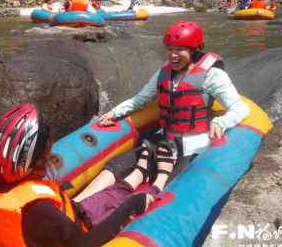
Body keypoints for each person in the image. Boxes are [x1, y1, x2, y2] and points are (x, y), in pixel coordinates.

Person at [74, 21, 249, 201]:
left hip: (193, 147)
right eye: (170, 49)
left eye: (179, 50)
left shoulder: (213, 75)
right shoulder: (163, 73)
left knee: (172, 188)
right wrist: (114, 113)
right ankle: (77, 203)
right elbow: (140, 99)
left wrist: (220, 122)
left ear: (195, 49)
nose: (172, 55)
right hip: (166, 140)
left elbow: (239, 108)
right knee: (116, 165)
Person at [0, 103, 178, 247]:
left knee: (108, 195)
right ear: (40, 156)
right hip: (78, 233)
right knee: (133, 200)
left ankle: (140, 171)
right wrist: (131, 207)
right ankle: (158, 183)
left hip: (66, 222)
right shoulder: (39, 209)